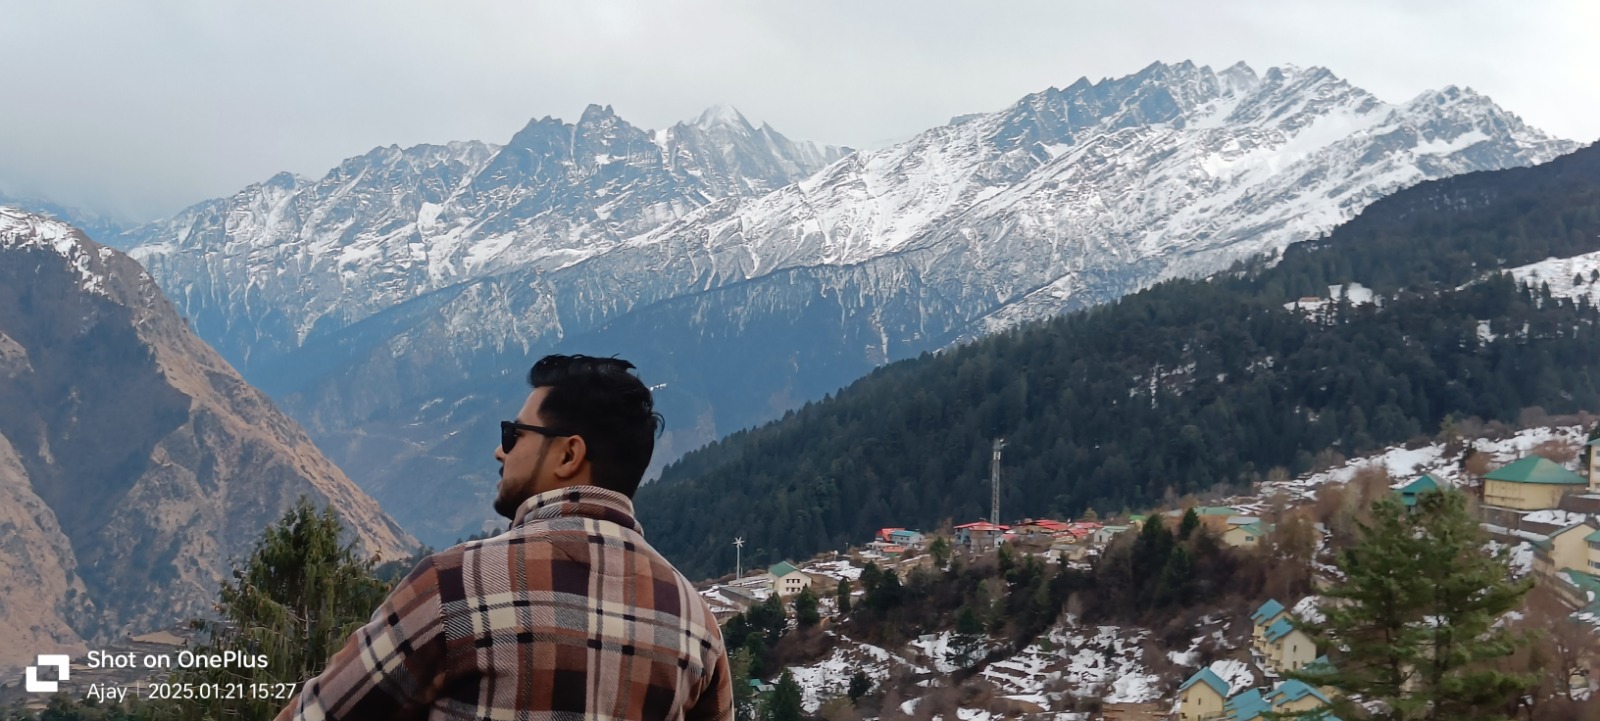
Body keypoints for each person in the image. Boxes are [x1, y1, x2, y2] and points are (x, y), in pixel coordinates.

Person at [277, 354, 732, 721]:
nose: (500, 450)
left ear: (569, 455)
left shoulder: (454, 586)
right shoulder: (694, 623)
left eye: (514, 434)